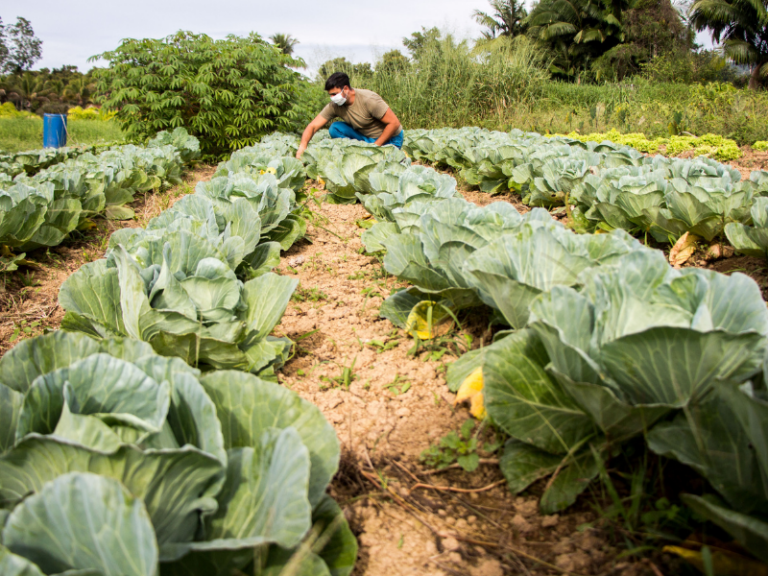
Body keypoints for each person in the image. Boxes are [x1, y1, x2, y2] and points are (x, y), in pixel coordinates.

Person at [295, 72, 403, 159]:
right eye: (330, 95)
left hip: (390, 139)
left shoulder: (369, 99)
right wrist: (302, 147)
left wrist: (375, 147)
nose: (332, 97)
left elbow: (394, 123)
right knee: (335, 128)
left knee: (383, 161)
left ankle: (373, 153)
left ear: (346, 89)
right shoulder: (335, 105)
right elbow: (313, 126)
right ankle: (357, 153)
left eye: (335, 94)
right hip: (366, 138)